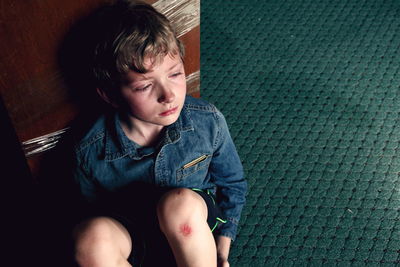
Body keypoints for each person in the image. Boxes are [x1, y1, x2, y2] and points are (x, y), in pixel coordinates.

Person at [71, 1, 247, 266]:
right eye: (144, 87)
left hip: (191, 227)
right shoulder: (89, 149)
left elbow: (232, 184)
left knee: (178, 204)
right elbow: (89, 211)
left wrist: (222, 247)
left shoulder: (207, 121)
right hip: (134, 234)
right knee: (90, 237)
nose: (169, 95)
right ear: (111, 95)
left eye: (175, 74)